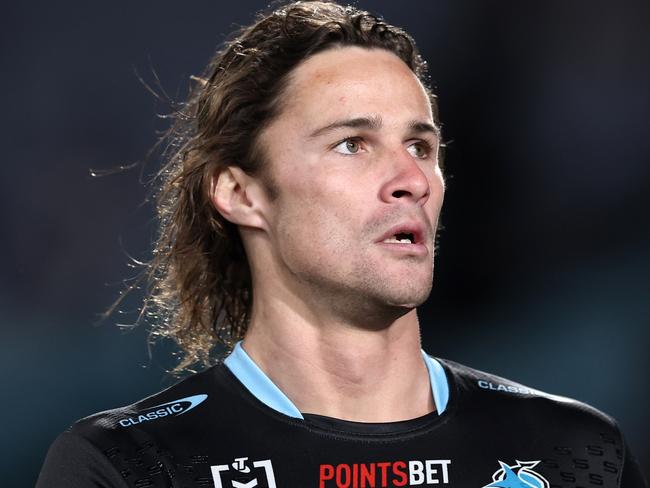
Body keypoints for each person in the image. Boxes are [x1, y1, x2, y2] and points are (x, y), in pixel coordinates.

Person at [38, 1, 646, 487]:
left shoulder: (577, 455)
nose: (410, 179)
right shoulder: (131, 467)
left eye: (421, 148)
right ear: (240, 193)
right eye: (352, 144)